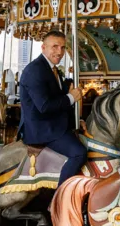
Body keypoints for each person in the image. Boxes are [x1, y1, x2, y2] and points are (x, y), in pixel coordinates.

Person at [17, 30, 87, 187]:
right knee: (79, 153)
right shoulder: (35, 70)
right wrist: (71, 98)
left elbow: (58, 100)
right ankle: (59, 200)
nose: (59, 52)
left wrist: (77, 119)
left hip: (54, 123)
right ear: (43, 47)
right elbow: (45, 106)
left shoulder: (52, 69)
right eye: (54, 47)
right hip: (42, 128)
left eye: (62, 48)